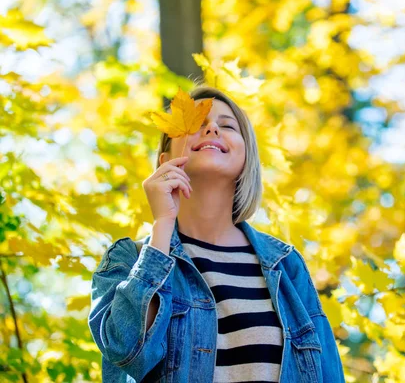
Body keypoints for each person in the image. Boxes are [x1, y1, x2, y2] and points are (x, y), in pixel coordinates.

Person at [87, 85, 345, 382]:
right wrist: (162, 226)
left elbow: (328, 374)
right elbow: (126, 351)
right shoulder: (128, 260)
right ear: (165, 159)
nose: (211, 128)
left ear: (246, 158)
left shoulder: (286, 266)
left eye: (227, 126)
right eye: (196, 124)